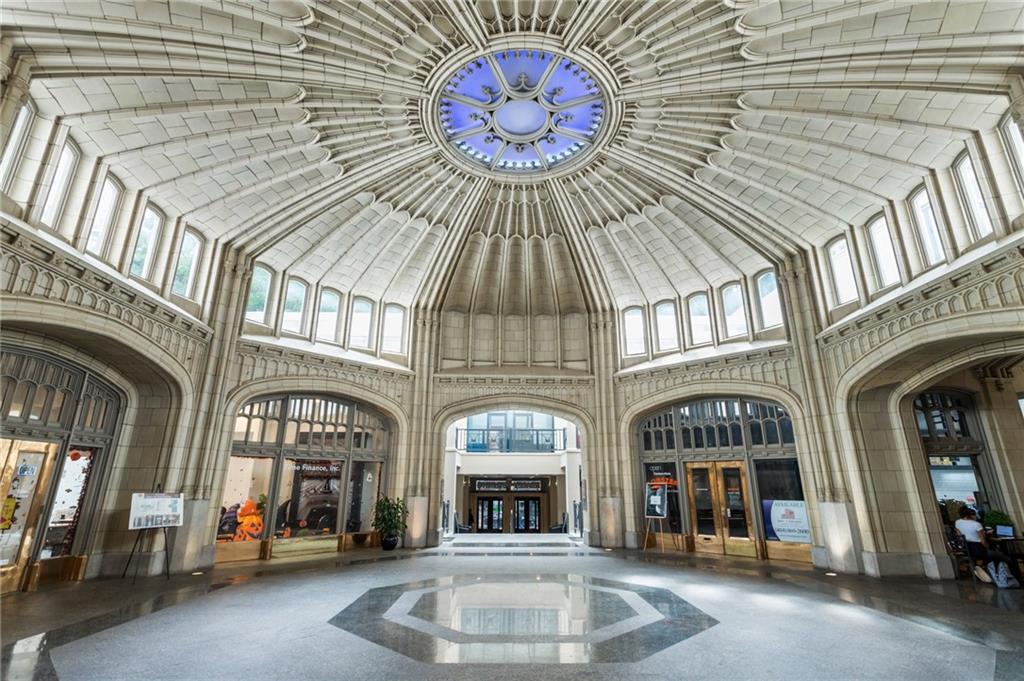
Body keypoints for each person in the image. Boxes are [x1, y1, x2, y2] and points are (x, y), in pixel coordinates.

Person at [955, 507, 1021, 584]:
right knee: (1007, 558)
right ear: (970, 515)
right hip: (979, 550)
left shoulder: (958, 522)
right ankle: (1015, 578)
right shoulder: (976, 524)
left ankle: (993, 574)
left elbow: (960, 534)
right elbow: (983, 541)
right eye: (974, 515)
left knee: (994, 556)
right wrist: (988, 547)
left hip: (967, 550)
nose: (976, 517)